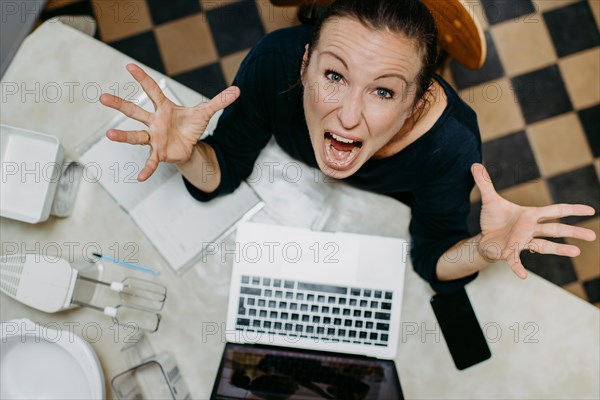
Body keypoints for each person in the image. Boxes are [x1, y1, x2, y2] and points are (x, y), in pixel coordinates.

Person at [99, 0, 596, 293]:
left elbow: (433, 258)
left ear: (418, 102)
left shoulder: (451, 143)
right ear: (304, 63)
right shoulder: (274, 63)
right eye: (334, 75)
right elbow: (222, 173)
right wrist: (189, 155)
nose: (350, 115)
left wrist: (482, 248)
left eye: (383, 91)